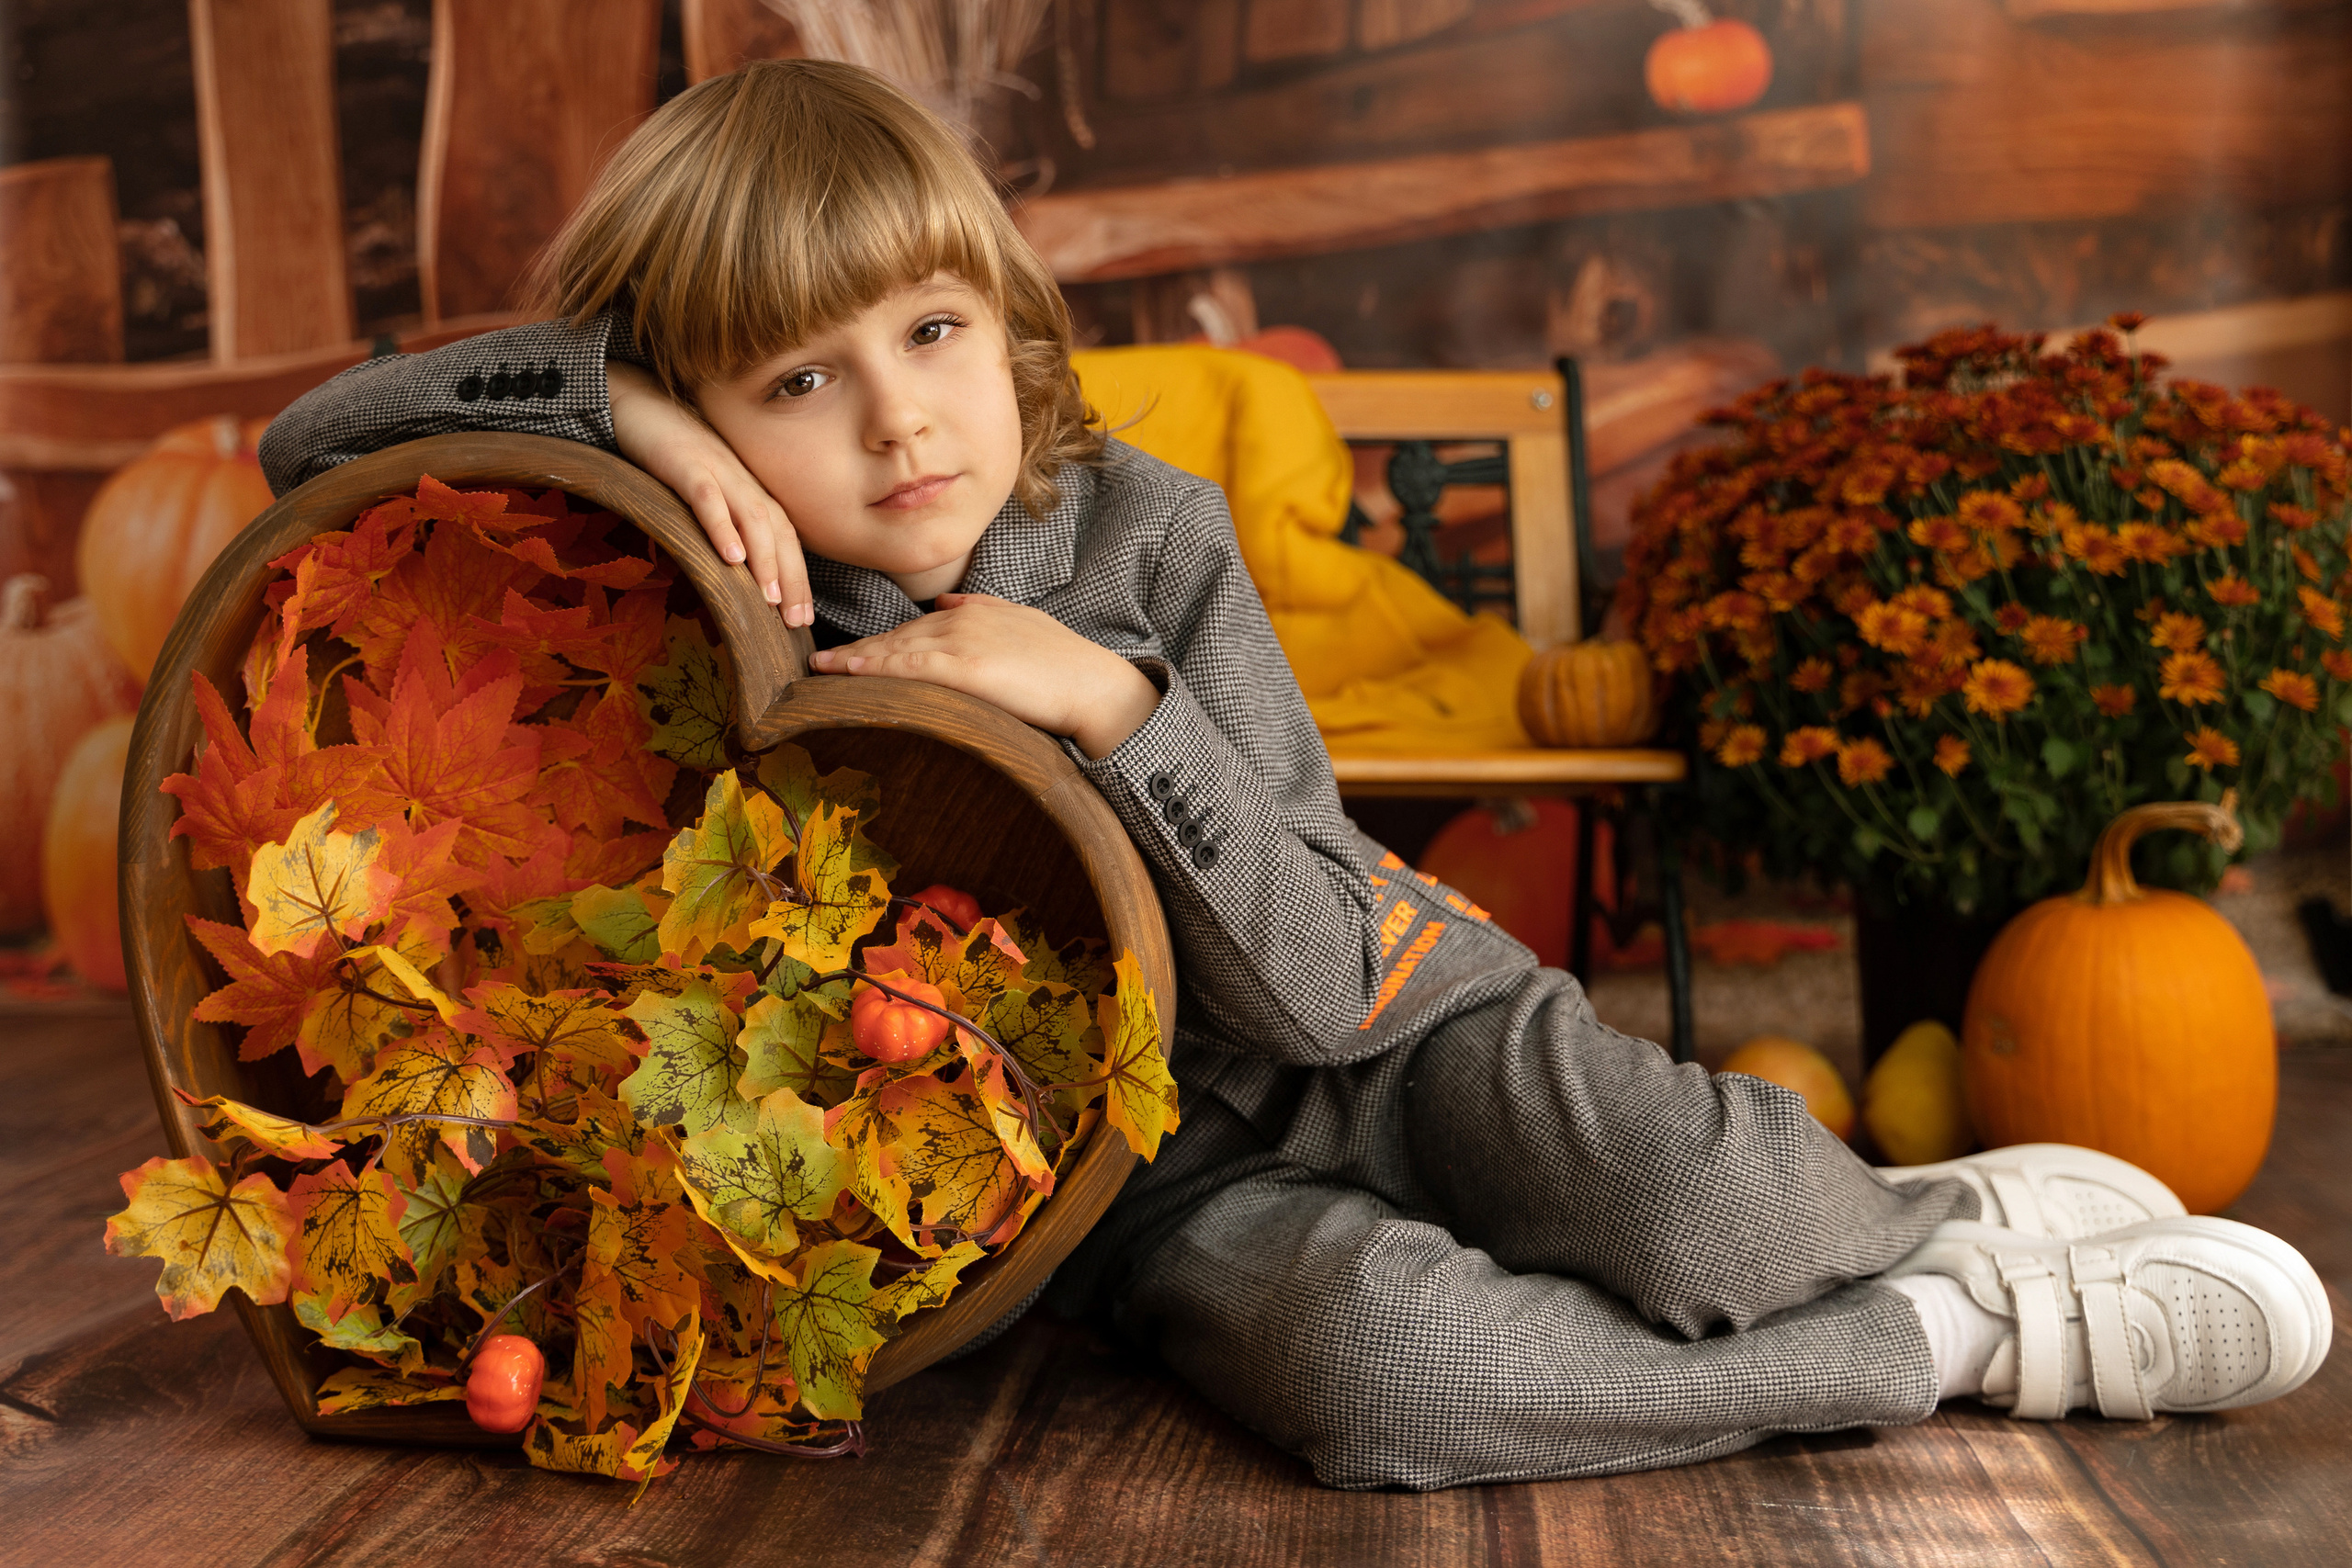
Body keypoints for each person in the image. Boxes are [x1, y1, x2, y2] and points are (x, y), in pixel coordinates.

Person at [258, 58, 2330, 1491]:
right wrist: (628, 408)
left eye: (929, 332)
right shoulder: (715, 594)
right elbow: (305, 442)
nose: (898, 425)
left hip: (1383, 1016)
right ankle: (1953, 1337)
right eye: (796, 381)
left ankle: (1892, 1215)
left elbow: (1317, 977)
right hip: (1158, 1185)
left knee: (1691, 1194)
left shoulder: (1138, 534)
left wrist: (1109, 711)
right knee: (1385, 1373)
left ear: (1003, 321)